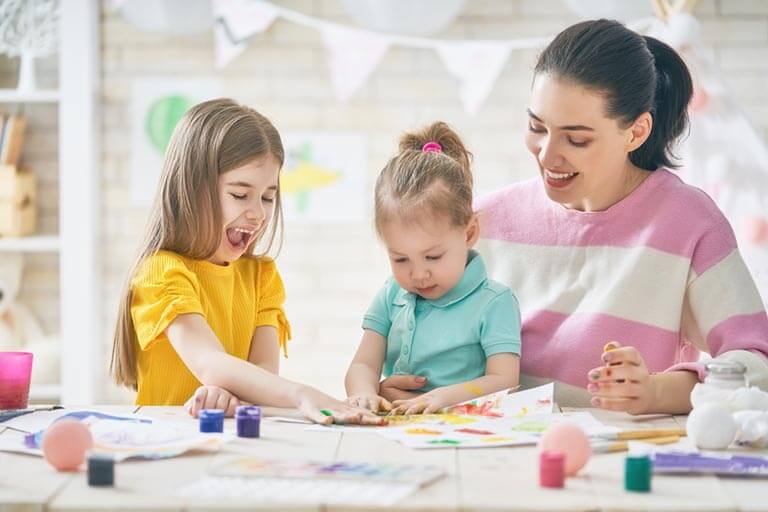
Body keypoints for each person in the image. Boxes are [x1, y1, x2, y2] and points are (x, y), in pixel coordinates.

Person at [380, 19, 768, 415]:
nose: (547, 155)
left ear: (636, 132)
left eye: (577, 139)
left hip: (617, 464)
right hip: (492, 453)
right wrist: (407, 380)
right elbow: (417, 329)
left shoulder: (688, 223)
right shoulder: (484, 222)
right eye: (537, 127)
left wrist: (657, 391)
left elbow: (758, 362)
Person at [110, 98, 382, 425]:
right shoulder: (160, 272)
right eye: (240, 194)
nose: (258, 213)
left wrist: (231, 396)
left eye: (268, 196)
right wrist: (301, 394)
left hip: (237, 443)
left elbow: (262, 375)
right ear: (192, 189)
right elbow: (209, 362)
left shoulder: (261, 276)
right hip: (165, 440)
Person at [345, 122, 521, 415]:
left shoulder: (495, 301)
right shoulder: (392, 293)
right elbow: (363, 364)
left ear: (469, 233)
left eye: (433, 257)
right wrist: (364, 393)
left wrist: (445, 397)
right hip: (398, 429)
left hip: (464, 431)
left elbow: (505, 379)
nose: (418, 274)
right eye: (400, 259)